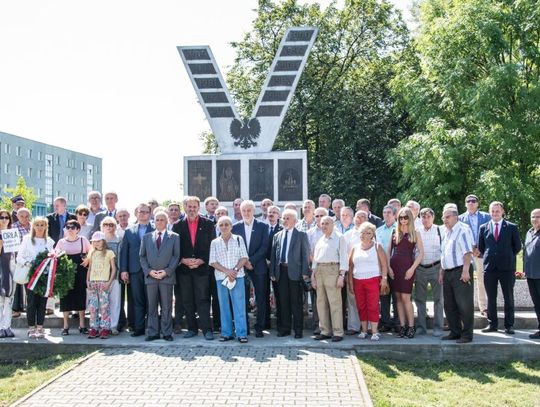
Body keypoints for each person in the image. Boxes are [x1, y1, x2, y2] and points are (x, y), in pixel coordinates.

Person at [173, 196, 216, 340]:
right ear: (185, 207)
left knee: (203, 299)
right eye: (189, 207)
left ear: (199, 208)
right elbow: (174, 248)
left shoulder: (209, 224)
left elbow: (212, 246)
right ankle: (191, 328)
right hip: (184, 270)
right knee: (187, 300)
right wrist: (182, 260)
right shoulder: (177, 225)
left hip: (202, 269)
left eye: (194, 207)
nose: (192, 209)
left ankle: (206, 330)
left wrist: (202, 260)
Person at [478, 201, 522, 334]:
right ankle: (492, 324)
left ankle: (509, 325)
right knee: (491, 297)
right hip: (490, 267)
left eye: (497, 211)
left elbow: (517, 246)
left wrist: (506, 255)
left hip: (506, 268)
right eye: (492, 211)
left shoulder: (511, 227)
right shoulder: (483, 227)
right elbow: (481, 247)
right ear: (489, 212)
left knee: (508, 297)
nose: (495, 213)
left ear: (502, 211)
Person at [140, 211, 180, 341]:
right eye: (157, 220)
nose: (159, 222)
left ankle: (167, 332)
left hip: (166, 277)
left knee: (166, 306)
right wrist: (149, 271)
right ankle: (153, 332)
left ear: (167, 221)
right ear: (154, 221)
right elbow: (142, 257)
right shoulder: (146, 237)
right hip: (151, 277)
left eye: (162, 219)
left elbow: (176, 256)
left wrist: (167, 271)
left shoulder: (174, 237)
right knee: (152, 306)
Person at [270, 209, 310, 338]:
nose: (285, 220)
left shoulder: (301, 235)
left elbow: (305, 255)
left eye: (288, 218)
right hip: (280, 271)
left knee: (296, 302)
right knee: (283, 301)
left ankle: (298, 330)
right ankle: (284, 329)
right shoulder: (277, 235)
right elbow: (273, 256)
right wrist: (272, 272)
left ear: (295, 220)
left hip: (295, 272)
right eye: (284, 218)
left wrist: (305, 272)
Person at [232, 200, 269, 337]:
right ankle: (244, 327)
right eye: (244, 211)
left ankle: (259, 328)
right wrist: (244, 262)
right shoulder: (235, 228)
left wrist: (250, 260)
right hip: (241, 268)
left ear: (254, 211)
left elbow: (265, 246)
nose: (246, 213)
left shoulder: (262, 226)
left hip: (258, 266)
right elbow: (234, 248)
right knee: (242, 298)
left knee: (261, 298)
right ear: (240, 212)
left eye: (249, 210)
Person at [209, 216, 249, 343]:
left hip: (238, 277)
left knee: (239, 306)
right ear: (218, 227)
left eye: (227, 224)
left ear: (231, 226)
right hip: (221, 278)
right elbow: (212, 261)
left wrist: (235, 271)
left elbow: (244, 257)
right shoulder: (214, 242)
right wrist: (227, 271)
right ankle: (226, 333)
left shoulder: (238, 239)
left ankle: (241, 334)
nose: (224, 227)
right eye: (221, 225)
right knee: (224, 306)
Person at [387, 207, 424, 338]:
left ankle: (411, 326)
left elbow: (421, 253)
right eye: (400, 218)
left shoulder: (415, 233)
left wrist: (412, 268)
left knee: (406, 298)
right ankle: (402, 326)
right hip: (394, 266)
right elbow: (387, 252)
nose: (403, 220)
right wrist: (388, 268)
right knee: (398, 298)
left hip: (408, 266)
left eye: (405, 217)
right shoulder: (394, 232)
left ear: (410, 218)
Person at [439, 207, 475, 343]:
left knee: (464, 304)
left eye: (447, 217)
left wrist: (466, 271)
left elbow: (467, 252)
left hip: (461, 271)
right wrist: (441, 272)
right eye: (443, 217)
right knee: (449, 304)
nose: (444, 220)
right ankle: (455, 332)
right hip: (448, 272)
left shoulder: (462, 230)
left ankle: (467, 335)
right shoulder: (446, 232)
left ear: (456, 217)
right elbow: (444, 254)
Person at [348, 222, 389, 341]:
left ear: (372, 235)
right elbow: (350, 267)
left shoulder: (377, 246)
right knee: (361, 306)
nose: (365, 234)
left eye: (368, 232)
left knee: (373, 305)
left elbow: (384, 265)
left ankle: (375, 331)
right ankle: (364, 330)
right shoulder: (355, 248)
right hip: (357, 280)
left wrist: (384, 279)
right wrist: (350, 282)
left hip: (373, 280)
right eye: (363, 232)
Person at [16, 217, 55, 339]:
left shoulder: (49, 241)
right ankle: (31, 328)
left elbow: (53, 258)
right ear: (33, 226)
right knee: (32, 303)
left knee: (42, 303)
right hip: (31, 275)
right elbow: (19, 257)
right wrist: (29, 263)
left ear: (45, 226)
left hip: (44, 276)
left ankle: (40, 327)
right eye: (37, 224)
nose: (39, 227)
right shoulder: (27, 239)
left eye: (42, 225)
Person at [119, 203, 154, 337]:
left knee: (151, 301)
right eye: (141, 212)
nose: (143, 214)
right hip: (135, 270)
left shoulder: (155, 229)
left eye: (146, 212)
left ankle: (152, 328)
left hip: (151, 270)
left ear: (150, 214)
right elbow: (124, 252)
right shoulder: (129, 231)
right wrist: (124, 270)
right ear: (136, 213)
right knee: (137, 300)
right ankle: (139, 328)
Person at [311, 216, 348, 342]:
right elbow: (315, 259)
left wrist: (341, 276)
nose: (324, 226)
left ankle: (338, 332)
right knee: (321, 303)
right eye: (322, 223)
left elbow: (344, 258)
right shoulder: (321, 239)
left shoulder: (339, 238)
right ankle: (325, 331)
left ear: (333, 224)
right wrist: (313, 276)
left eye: (327, 223)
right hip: (319, 271)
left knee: (335, 303)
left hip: (333, 270)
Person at [56, 219, 91, 335]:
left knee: (80, 296)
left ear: (78, 229)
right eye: (68, 227)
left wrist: (87, 260)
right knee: (65, 297)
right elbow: (56, 255)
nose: (70, 229)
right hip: (65, 273)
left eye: (73, 227)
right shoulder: (61, 242)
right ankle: (65, 326)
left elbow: (91, 252)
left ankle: (82, 325)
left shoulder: (83, 240)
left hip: (80, 271)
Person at [459, 194, 491, 316]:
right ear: (465, 204)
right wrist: (471, 249)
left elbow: (490, 235)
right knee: (464, 280)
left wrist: (480, 248)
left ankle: (484, 307)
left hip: (481, 253)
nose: (471, 203)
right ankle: (464, 309)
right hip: (465, 254)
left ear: (477, 203)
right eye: (469, 201)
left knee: (482, 280)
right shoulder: (460, 218)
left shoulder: (486, 217)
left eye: (474, 201)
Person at [414, 208, 444, 336]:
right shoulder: (416, 231)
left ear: (433, 217)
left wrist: (442, 269)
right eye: (423, 217)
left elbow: (444, 250)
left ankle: (438, 328)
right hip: (420, 268)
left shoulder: (440, 230)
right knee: (420, 299)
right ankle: (421, 327)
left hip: (436, 267)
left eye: (428, 217)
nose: (425, 219)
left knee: (439, 299)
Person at [86, 231, 116, 339]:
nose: (96, 243)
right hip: (93, 283)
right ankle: (93, 328)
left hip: (104, 282)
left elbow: (113, 269)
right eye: (94, 242)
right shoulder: (92, 253)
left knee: (104, 306)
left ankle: (105, 328)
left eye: (98, 241)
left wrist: (109, 282)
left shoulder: (109, 253)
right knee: (93, 307)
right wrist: (87, 281)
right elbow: (89, 269)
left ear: (103, 241)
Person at [376, 205, 398, 332]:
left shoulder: (400, 229)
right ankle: (385, 322)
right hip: (381, 267)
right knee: (384, 294)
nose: (386, 215)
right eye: (384, 213)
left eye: (389, 212)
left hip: (396, 266)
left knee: (396, 295)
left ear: (395, 215)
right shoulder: (378, 231)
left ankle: (397, 322)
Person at [307, 207, 328, 334]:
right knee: (316, 299)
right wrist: (315, 263)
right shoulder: (310, 233)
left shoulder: (333, 231)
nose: (319, 218)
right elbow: (308, 251)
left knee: (330, 298)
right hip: (315, 268)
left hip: (329, 268)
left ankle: (329, 324)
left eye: (322, 216)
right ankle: (317, 324)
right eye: (317, 216)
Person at [100, 216, 122, 334]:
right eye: (106, 224)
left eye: (111, 224)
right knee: (102, 302)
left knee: (115, 301)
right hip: (100, 276)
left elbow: (121, 258)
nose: (108, 227)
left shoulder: (119, 239)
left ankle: (113, 325)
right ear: (102, 226)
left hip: (115, 275)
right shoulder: (98, 239)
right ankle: (103, 324)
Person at [12, 207, 31, 318]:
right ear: (17, 216)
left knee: (30, 285)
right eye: (21, 216)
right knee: (18, 283)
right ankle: (16, 309)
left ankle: (30, 307)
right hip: (18, 258)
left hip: (31, 259)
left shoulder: (34, 226)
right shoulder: (13, 227)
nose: (24, 218)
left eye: (26, 216)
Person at [524, 208, 540, 339]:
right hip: (531, 275)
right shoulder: (529, 232)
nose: (535, 219)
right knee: (537, 303)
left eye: (538, 217)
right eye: (533, 216)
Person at [0, 209, 15, 338]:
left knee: (9, 299)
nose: (4, 220)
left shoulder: (12, 234)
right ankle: (0, 327)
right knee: (0, 300)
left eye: (6, 217)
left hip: (11, 268)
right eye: (1, 217)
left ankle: (7, 326)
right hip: (0, 268)